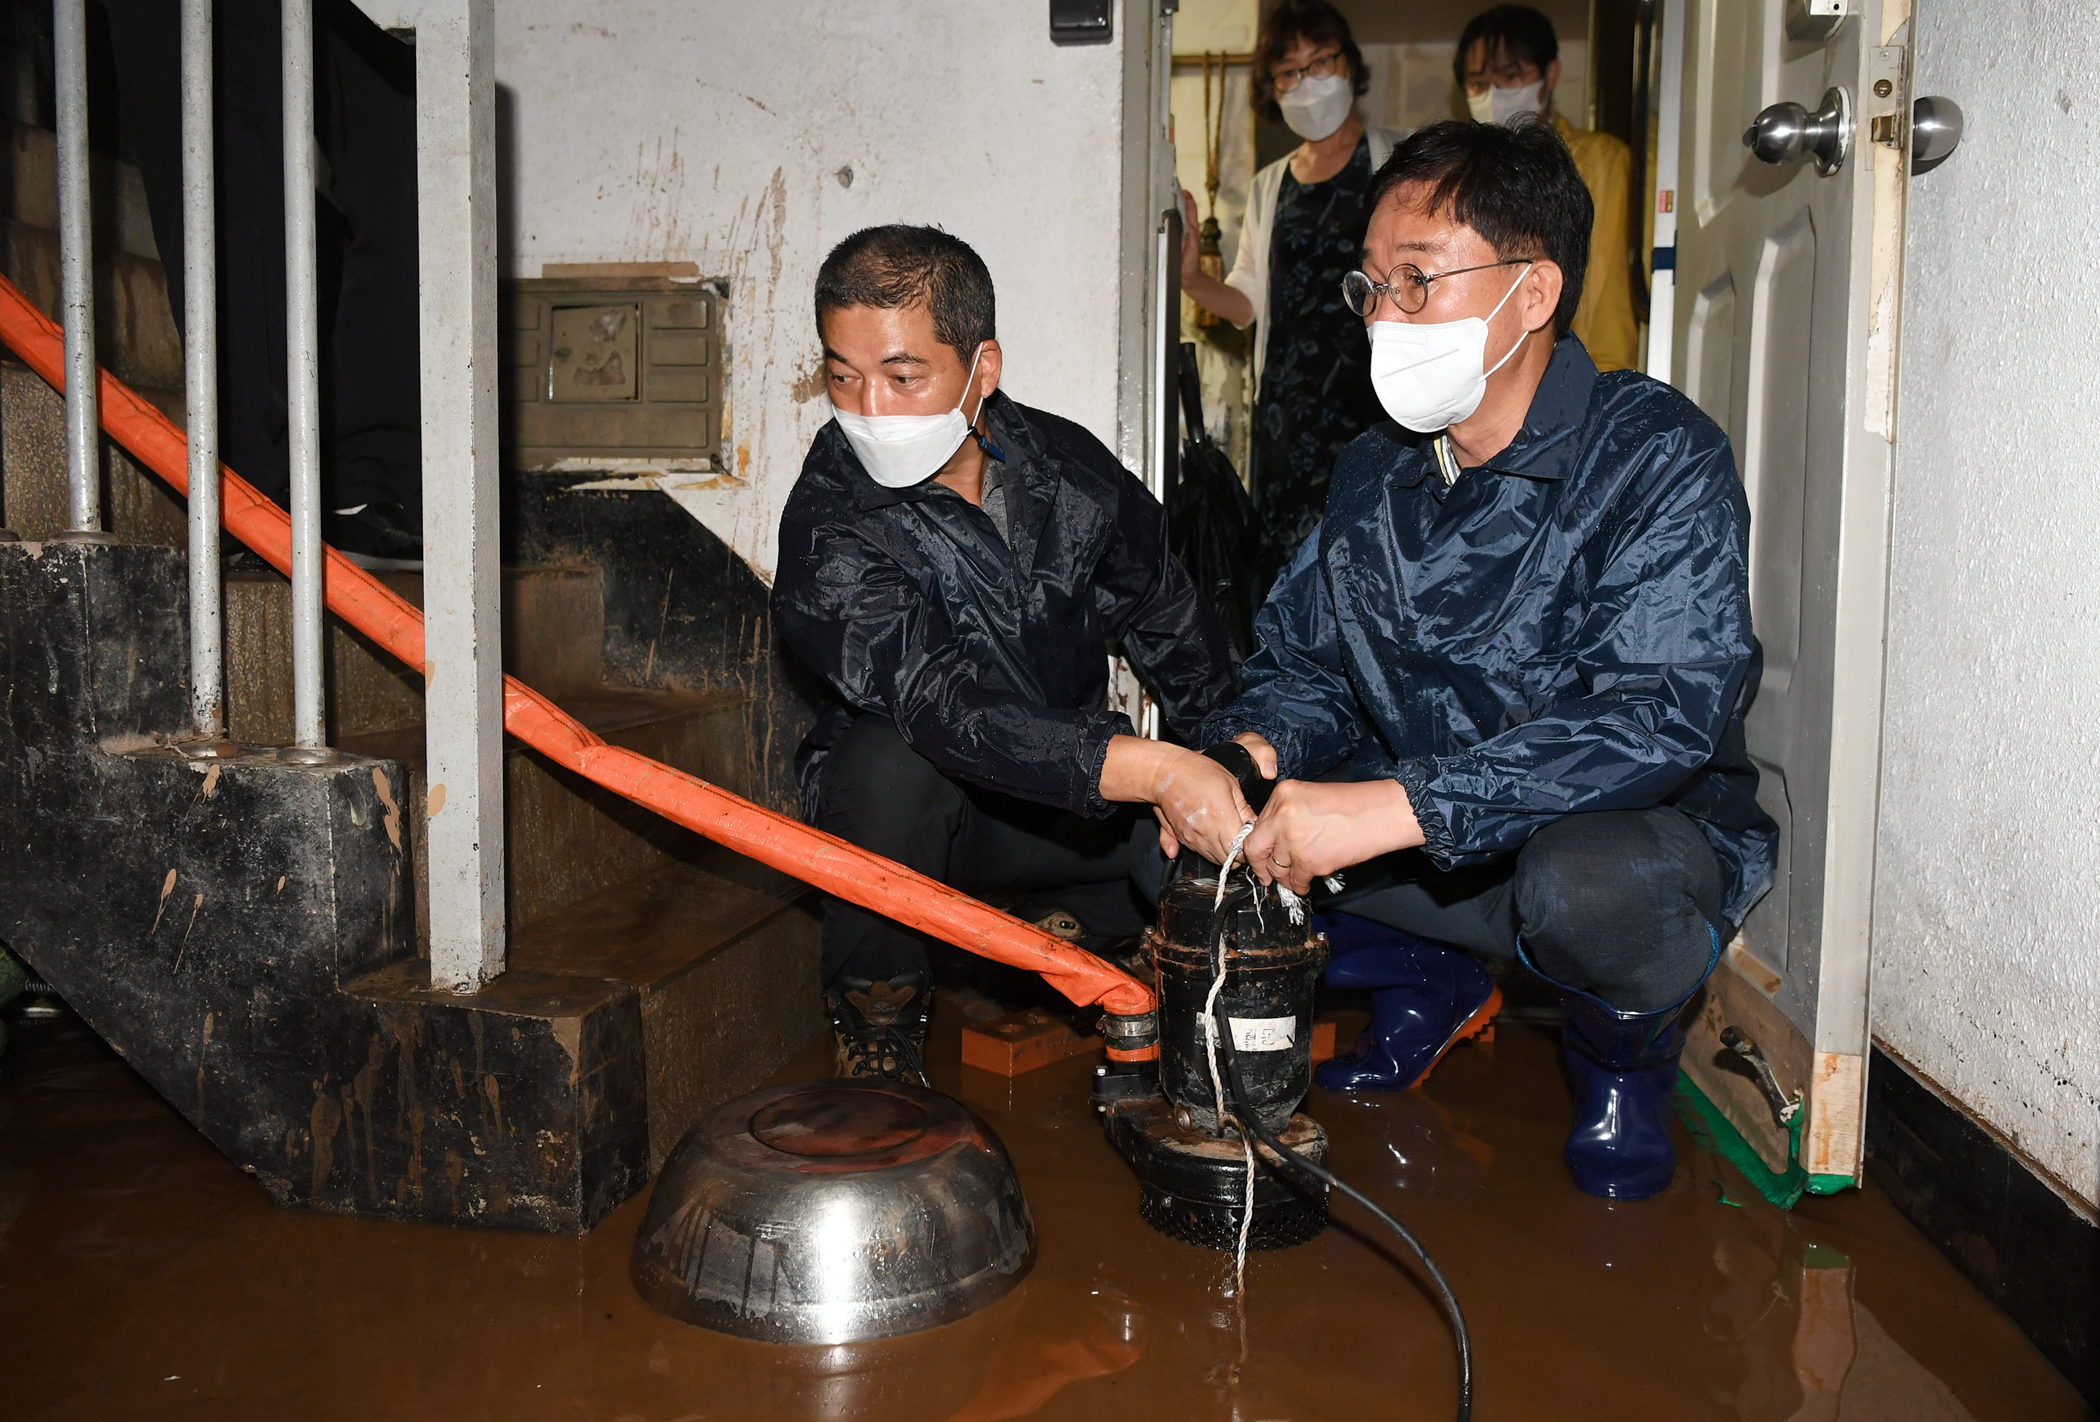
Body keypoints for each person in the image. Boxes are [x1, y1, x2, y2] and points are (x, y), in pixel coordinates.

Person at [1151, 122, 1777, 1201]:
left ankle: (1623, 1066)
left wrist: (1402, 809)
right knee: (1172, 842)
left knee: (1589, 892)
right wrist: (1251, 753)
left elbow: (1654, 714)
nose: (1381, 317)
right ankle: (1429, 975)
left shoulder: (1655, 456)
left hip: (1595, 837)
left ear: (1533, 293)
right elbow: (1310, 667)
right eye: (1371, 287)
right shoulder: (1374, 472)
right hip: (1425, 840)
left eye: (1417, 281)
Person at [772, 226, 1247, 1080]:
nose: (869, 408)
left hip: (1069, 808)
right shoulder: (829, 519)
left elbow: (1171, 618)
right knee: (883, 764)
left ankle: (1078, 932)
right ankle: (878, 1025)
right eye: (843, 376)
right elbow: (940, 703)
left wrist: (1235, 760)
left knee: (1205, 838)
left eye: (903, 376)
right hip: (942, 827)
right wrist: (1150, 768)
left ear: (981, 368)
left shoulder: (1068, 472)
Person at [1178, 0, 1400, 582]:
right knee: (1292, 576)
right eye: (1289, 72)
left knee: (1379, 560)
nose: (1307, 83)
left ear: (1349, 64)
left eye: (1321, 62)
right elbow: (1247, 303)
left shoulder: (1398, 162)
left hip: (1377, 401)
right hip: (1288, 417)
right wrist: (1191, 279)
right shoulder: (1268, 184)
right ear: (1271, 87)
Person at [1457, 4, 1638, 374]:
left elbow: (1608, 294)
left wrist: (1603, 379)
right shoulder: (1457, 177)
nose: (1493, 93)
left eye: (1510, 76)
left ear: (1550, 74)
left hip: (1578, 372)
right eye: (1478, 83)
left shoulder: (1600, 162)